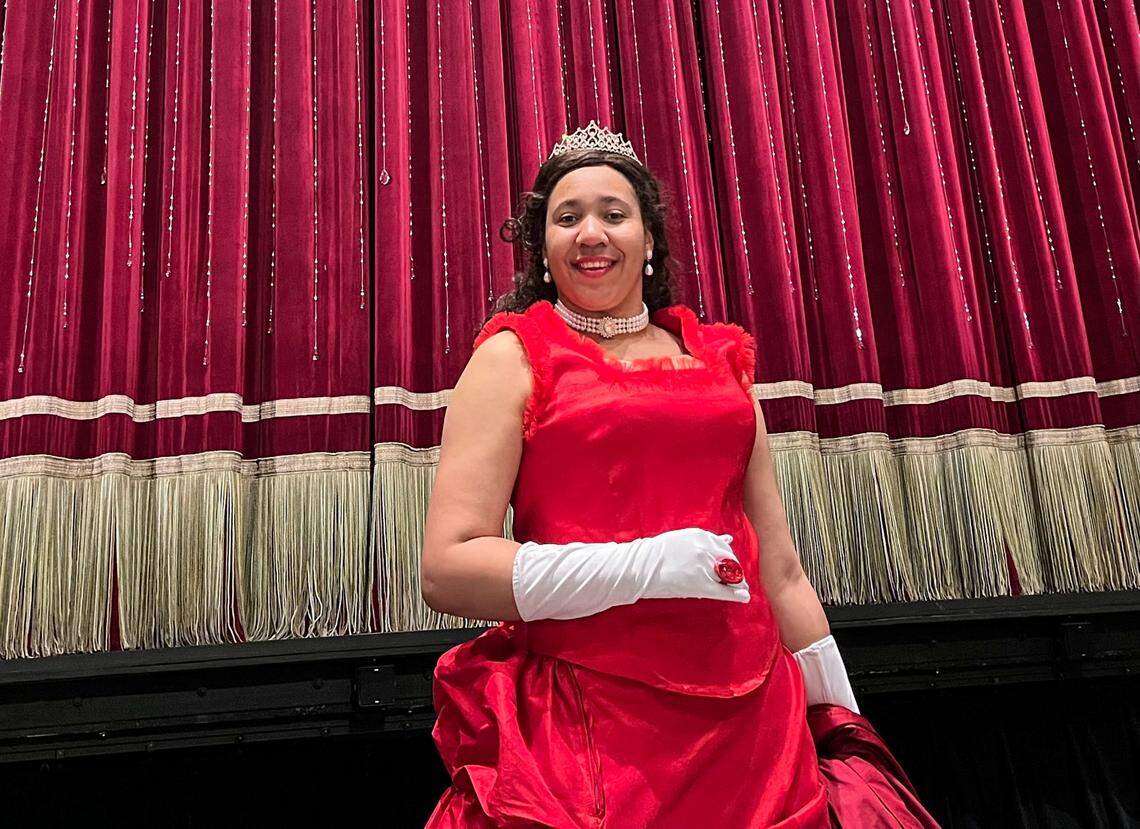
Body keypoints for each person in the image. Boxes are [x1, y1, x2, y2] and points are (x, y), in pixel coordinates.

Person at [420, 121, 937, 827]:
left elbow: (781, 570)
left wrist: (838, 714)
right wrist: (645, 565)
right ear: (542, 248)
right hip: (596, 733)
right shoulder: (513, 358)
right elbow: (448, 568)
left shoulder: (721, 359)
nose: (591, 232)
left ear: (649, 237)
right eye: (567, 218)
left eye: (613, 213)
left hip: (759, 734)